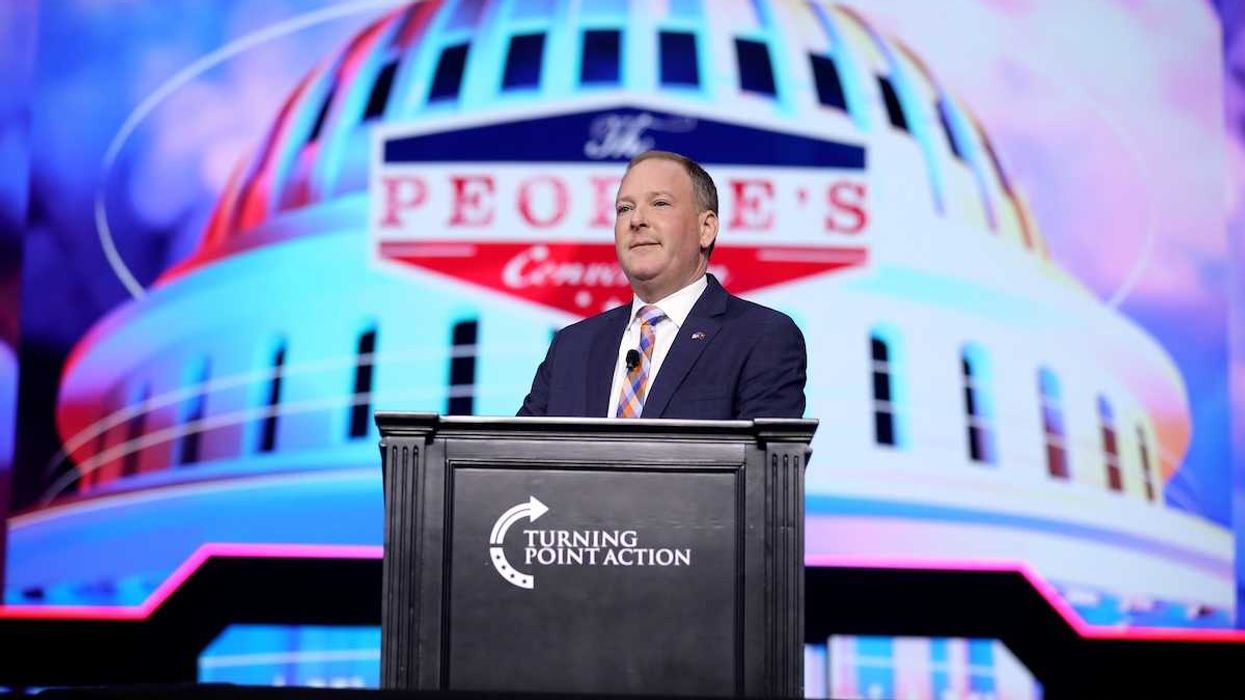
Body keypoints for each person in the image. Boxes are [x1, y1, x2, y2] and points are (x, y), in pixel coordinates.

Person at [517, 150, 806, 419]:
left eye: (660, 203)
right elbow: (511, 460)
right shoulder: (572, 346)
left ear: (705, 229)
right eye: (624, 208)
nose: (637, 220)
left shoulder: (762, 337)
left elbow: (767, 468)